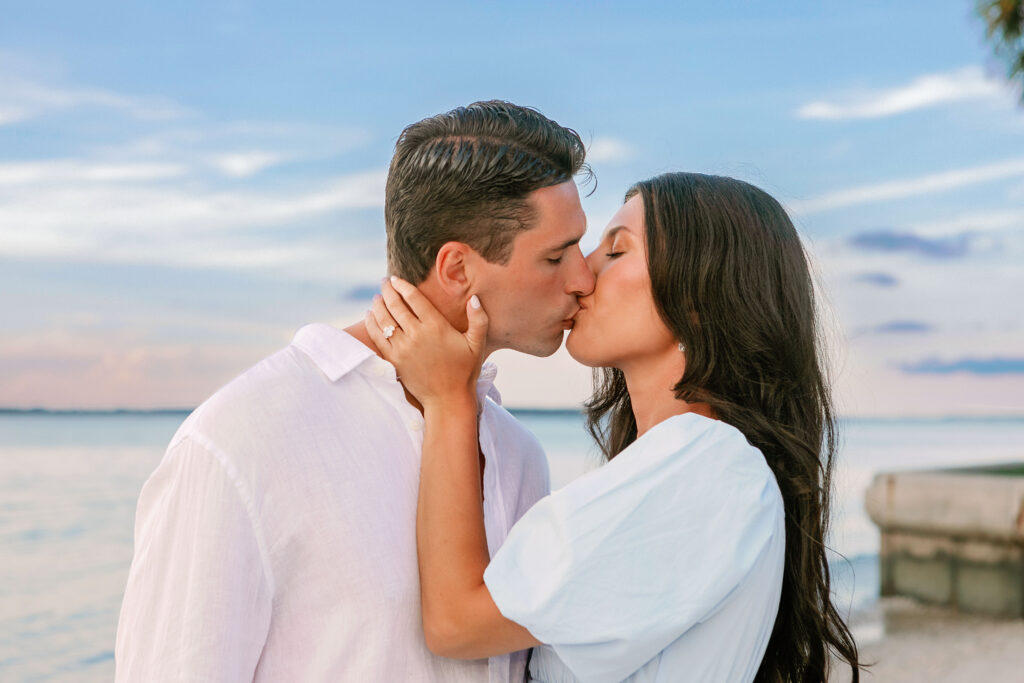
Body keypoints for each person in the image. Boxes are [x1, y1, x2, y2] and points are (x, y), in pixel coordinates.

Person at [114, 100, 596, 681]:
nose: (583, 279)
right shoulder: (240, 440)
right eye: (555, 255)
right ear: (457, 270)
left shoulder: (517, 455)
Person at [367, 172, 863, 682]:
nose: (583, 275)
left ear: (697, 295)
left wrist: (449, 399)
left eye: (617, 251)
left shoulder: (709, 466)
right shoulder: (693, 468)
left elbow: (456, 624)